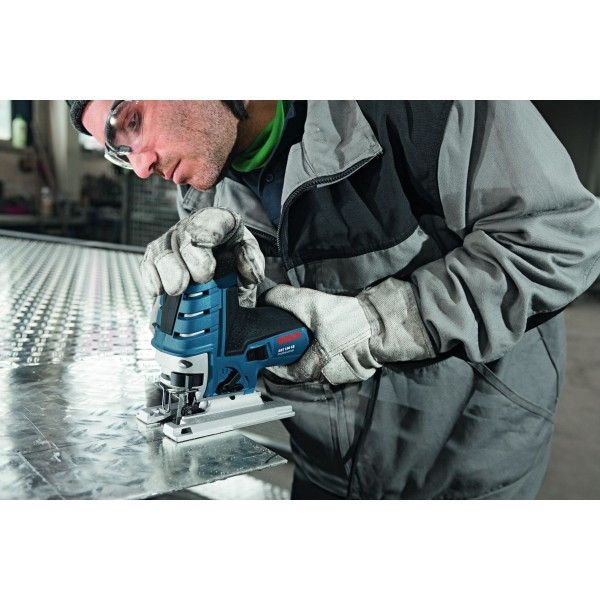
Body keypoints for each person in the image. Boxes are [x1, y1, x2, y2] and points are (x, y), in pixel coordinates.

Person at [69, 100, 600, 499]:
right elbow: (269, 338)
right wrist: (223, 297)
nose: (140, 165)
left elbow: (560, 240)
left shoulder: (415, 101)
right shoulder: (203, 180)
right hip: (326, 467)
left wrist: (380, 324)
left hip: (459, 463)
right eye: (118, 151)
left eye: (131, 121)